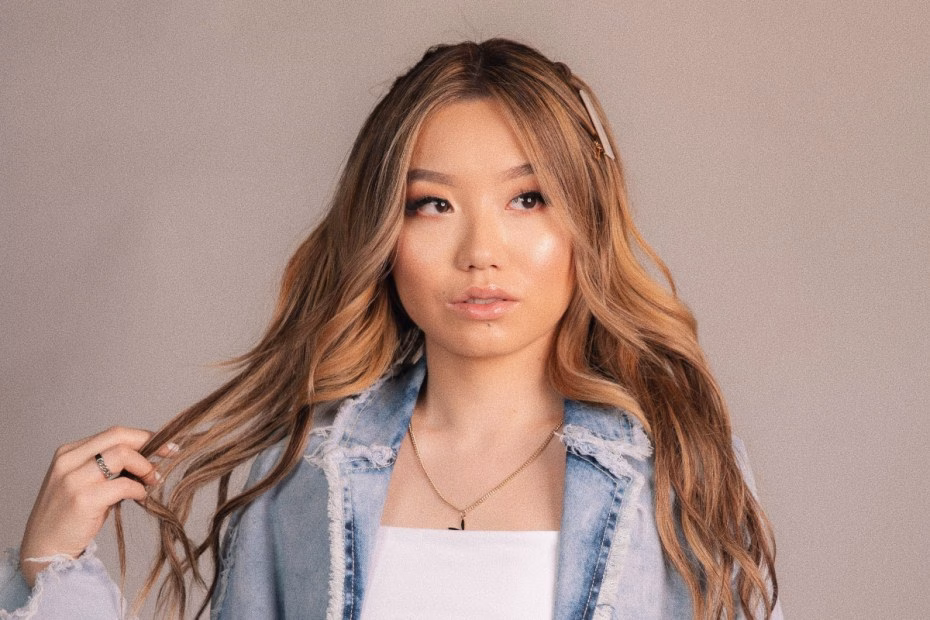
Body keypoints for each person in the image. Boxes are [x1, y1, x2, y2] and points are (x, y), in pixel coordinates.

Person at [1, 38, 780, 619]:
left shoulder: (679, 464)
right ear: (384, 231)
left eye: (528, 199)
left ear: (588, 222)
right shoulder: (304, 470)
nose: (481, 253)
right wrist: (52, 566)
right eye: (432, 204)